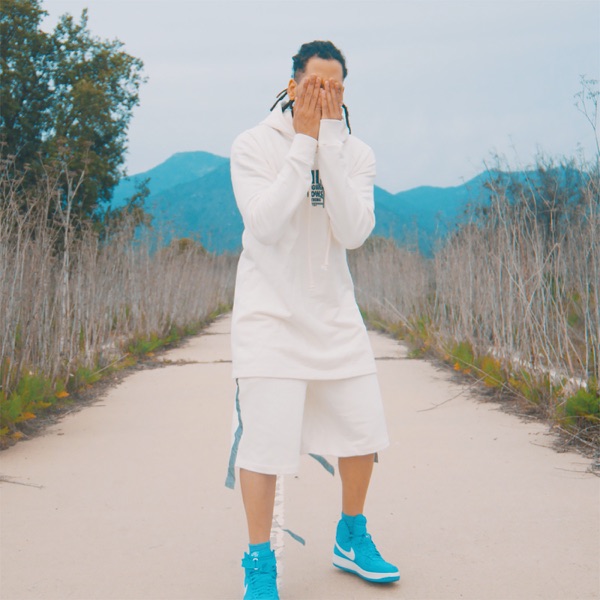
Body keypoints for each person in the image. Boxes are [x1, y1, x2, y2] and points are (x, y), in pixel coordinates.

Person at [226, 40, 399, 600]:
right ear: (292, 85)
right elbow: (264, 224)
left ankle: (351, 535)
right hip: (269, 319)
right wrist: (302, 144)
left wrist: (329, 146)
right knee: (264, 445)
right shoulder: (253, 145)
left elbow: (353, 231)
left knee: (362, 430)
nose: (324, 93)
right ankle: (259, 560)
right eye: (314, 84)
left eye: (335, 86)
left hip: (334, 316)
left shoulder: (357, 152)